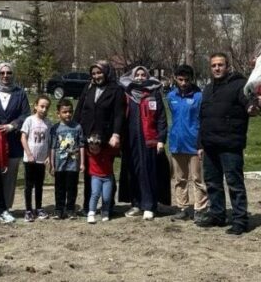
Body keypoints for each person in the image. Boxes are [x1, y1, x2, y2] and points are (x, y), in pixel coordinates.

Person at [196, 53, 256, 235]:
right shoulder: (207, 89)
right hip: (210, 144)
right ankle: (217, 214)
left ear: (227, 66)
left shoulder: (240, 85)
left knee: (234, 183)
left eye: (220, 65)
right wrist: (200, 144)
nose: (217, 68)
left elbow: (249, 103)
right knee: (212, 183)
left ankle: (240, 219)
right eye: (214, 65)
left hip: (230, 145)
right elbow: (203, 117)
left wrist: (252, 107)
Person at [73, 60, 125, 213]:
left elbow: (119, 114)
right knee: (90, 172)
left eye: (99, 72)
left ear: (106, 72)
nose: (97, 76)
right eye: (94, 73)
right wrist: (74, 129)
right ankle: (88, 206)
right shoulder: (89, 87)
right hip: (88, 136)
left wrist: (116, 134)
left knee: (106, 171)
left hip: (106, 137)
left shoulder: (116, 90)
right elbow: (80, 108)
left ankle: (108, 205)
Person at [119, 65, 167, 220]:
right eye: (137, 75)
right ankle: (136, 203)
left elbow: (161, 118)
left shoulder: (154, 93)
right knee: (132, 171)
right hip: (130, 139)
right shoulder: (127, 93)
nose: (140, 77)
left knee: (148, 171)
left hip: (149, 139)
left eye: (143, 75)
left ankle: (149, 205)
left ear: (147, 77)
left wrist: (161, 139)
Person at [0, 62, 29, 216]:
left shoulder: (20, 94)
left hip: (13, 142)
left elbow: (25, 115)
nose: (5, 76)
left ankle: (5, 208)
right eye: (2, 73)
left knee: (9, 178)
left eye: (8, 73)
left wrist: (13, 125)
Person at [167, 65, 206, 221]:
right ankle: (182, 208)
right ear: (175, 78)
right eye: (180, 79)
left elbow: (203, 120)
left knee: (198, 178)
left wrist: (201, 144)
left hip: (194, 144)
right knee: (180, 179)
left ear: (192, 79)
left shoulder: (199, 96)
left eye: (187, 80)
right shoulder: (171, 96)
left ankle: (200, 209)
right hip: (177, 143)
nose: (183, 83)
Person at [49, 98, 84, 219]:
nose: (68, 114)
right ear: (58, 113)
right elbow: (53, 148)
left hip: (73, 164)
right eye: (64, 112)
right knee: (59, 188)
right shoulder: (55, 129)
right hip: (59, 164)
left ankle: (70, 209)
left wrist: (82, 163)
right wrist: (52, 165)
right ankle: (59, 209)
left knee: (72, 187)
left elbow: (81, 146)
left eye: (70, 111)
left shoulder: (77, 127)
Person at [19, 95, 52, 222]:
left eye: (46, 107)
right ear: (36, 106)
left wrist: (48, 156)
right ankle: (28, 210)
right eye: (42, 106)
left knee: (39, 185)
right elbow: (23, 138)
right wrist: (29, 153)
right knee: (29, 185)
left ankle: (38, 208)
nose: (44, 109)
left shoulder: (48, 123)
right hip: (30, 159)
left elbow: (49, 141)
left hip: (41, 160)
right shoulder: (29, 120)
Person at [85, 134, 118, 224]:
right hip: (95, 177)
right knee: (95, 194)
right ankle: (91, 213)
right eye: (92, 148)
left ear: (100, 146)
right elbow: (82, 143)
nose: (94, 150)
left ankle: (105, 211)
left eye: (96, 148)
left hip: (108, 177)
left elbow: (116, 148)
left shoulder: (107, 150)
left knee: (107, 197)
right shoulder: (88, 152)